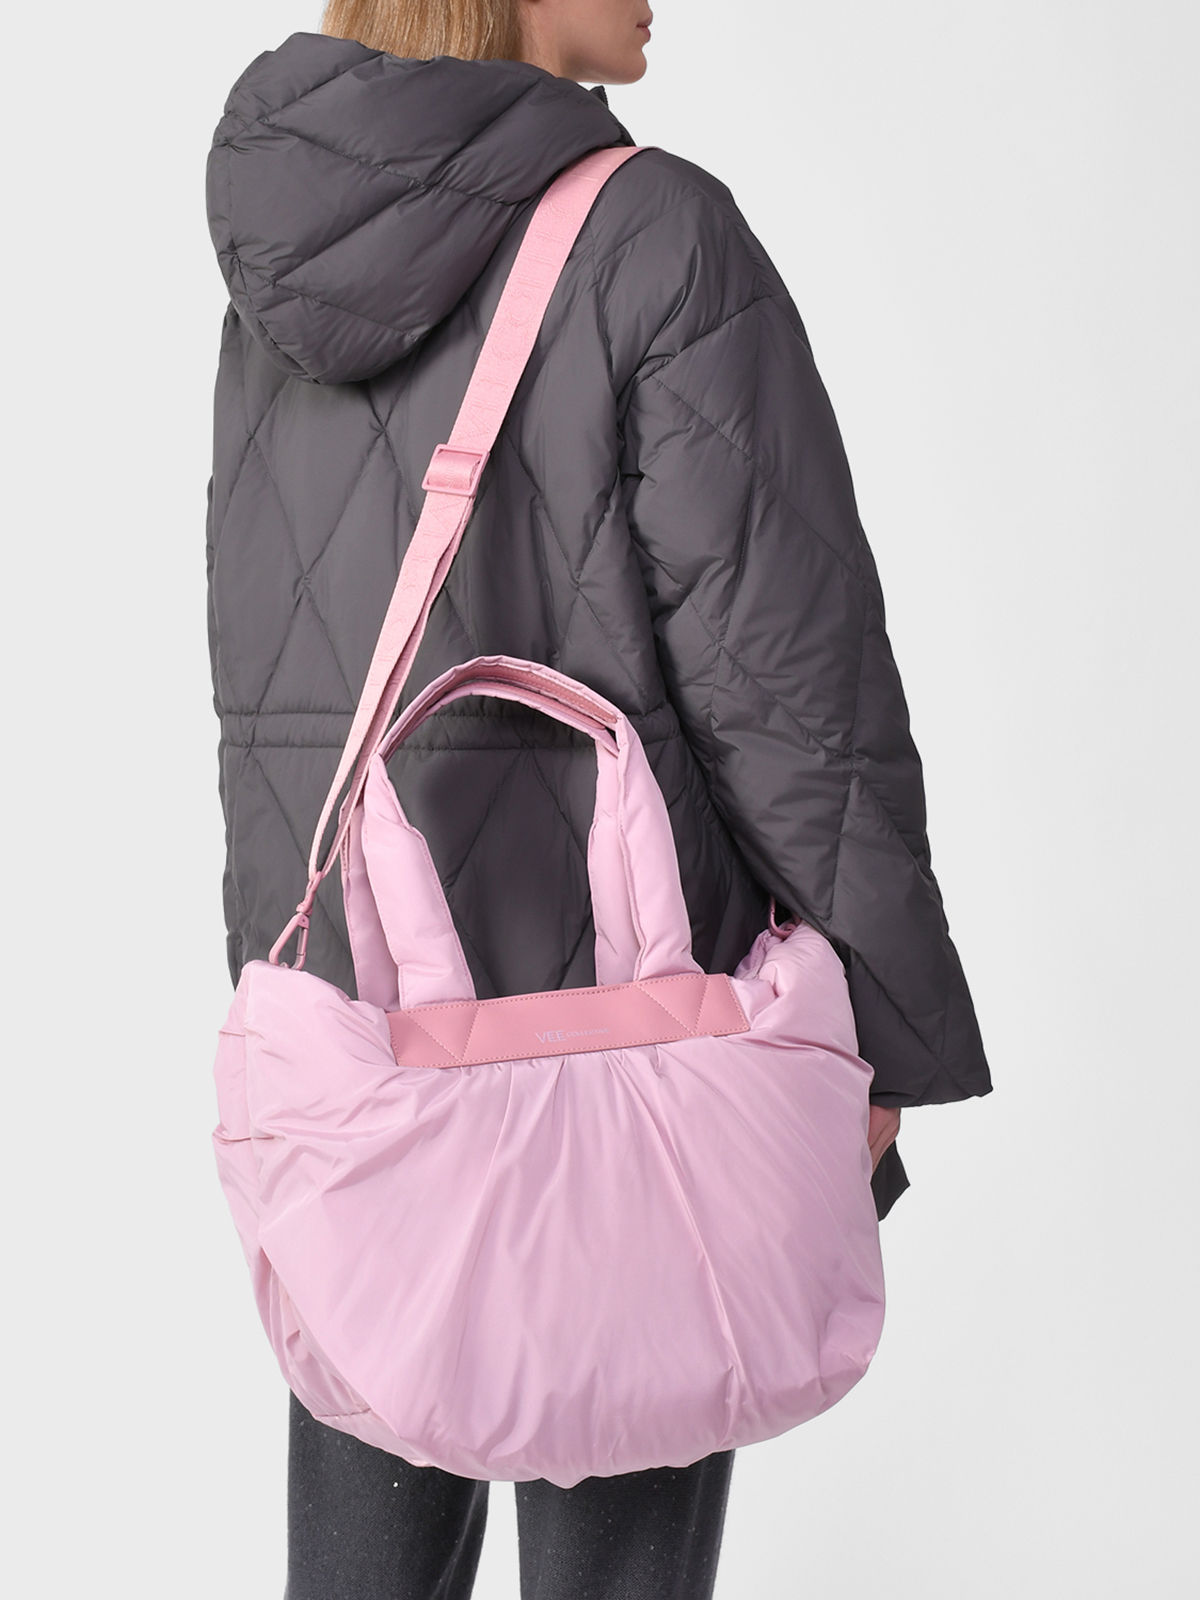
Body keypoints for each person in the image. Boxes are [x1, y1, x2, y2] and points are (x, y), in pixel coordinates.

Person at [205, 1, 992, 1594]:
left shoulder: (285, 250)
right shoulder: (658, 234)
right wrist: (882, 1033)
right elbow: (789, 683)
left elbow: (276, 645)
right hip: (644, 1042)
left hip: (361, 1017)